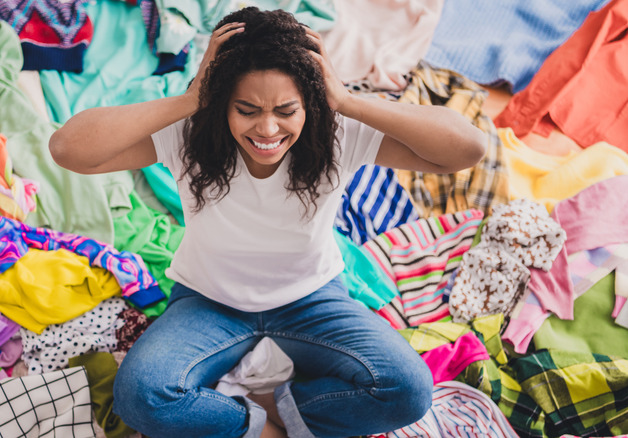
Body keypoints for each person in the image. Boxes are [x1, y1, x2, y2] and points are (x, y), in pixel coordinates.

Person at [49, 7, 486, 438]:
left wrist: (350, 100)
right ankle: (259, 428)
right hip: (208, 303)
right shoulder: (190, 134)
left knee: (409, 390)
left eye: (285, 110)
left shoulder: (336, 132)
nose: (268, 128)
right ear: (221, 102)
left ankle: (282, 405)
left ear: (310, 103)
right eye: (247, 109)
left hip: (313, 300)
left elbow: (467, 148)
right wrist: (189, 100)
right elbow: (68, 149)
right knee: (141, 396)